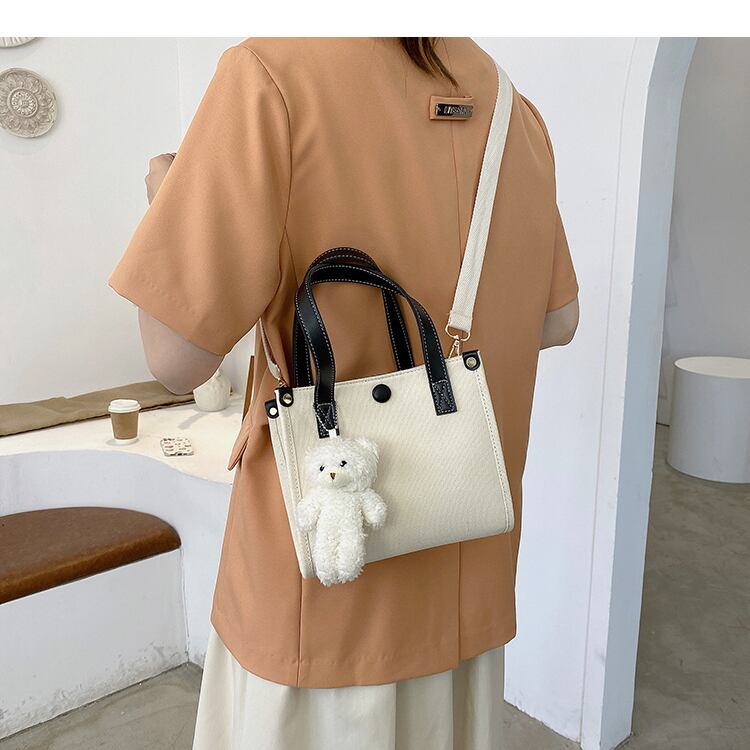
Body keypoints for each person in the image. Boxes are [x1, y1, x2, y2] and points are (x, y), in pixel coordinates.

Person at [109, 37, 579, 750]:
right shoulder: (514, 108)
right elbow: (558, 321)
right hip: (467, 583)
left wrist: (165, 206)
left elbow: (175, 360)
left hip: (321, 600)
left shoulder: (268, 79)